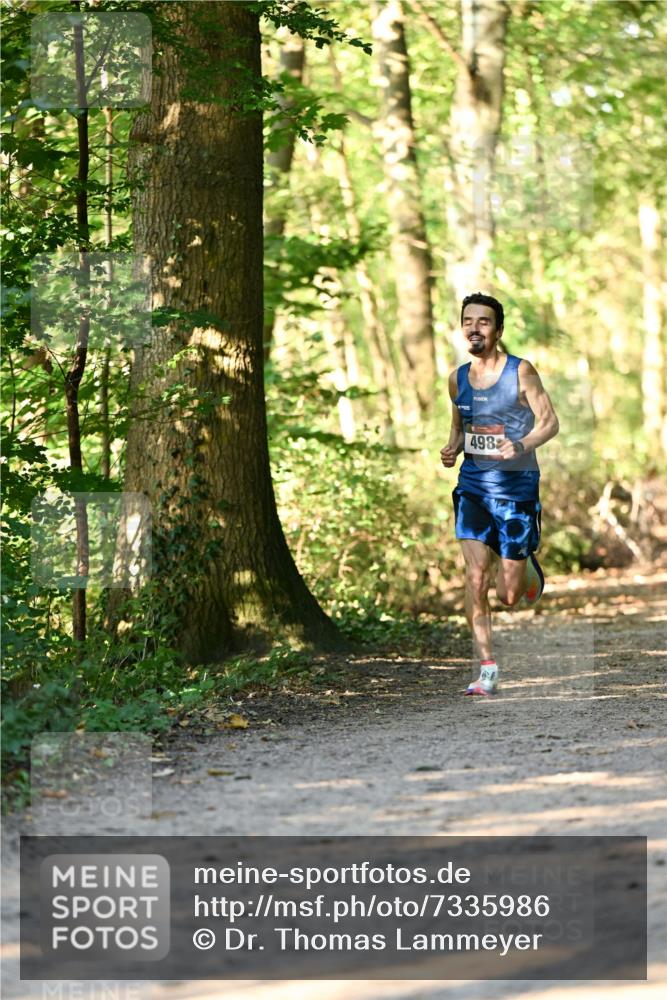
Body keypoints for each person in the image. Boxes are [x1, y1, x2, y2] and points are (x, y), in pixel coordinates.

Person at [441, 293, 559, 695]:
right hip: (473, 484)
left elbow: (550, 423)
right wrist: (452, 447)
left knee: (508, 596)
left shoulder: (521, 371)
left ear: (498, 330)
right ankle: (487, 670)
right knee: (475, 576)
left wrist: (521, 444)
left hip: (516, 489)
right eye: (468, 321)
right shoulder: (457, 379)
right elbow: (460, 426)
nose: (474, 328)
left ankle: (525, 564)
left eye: (484, 322)